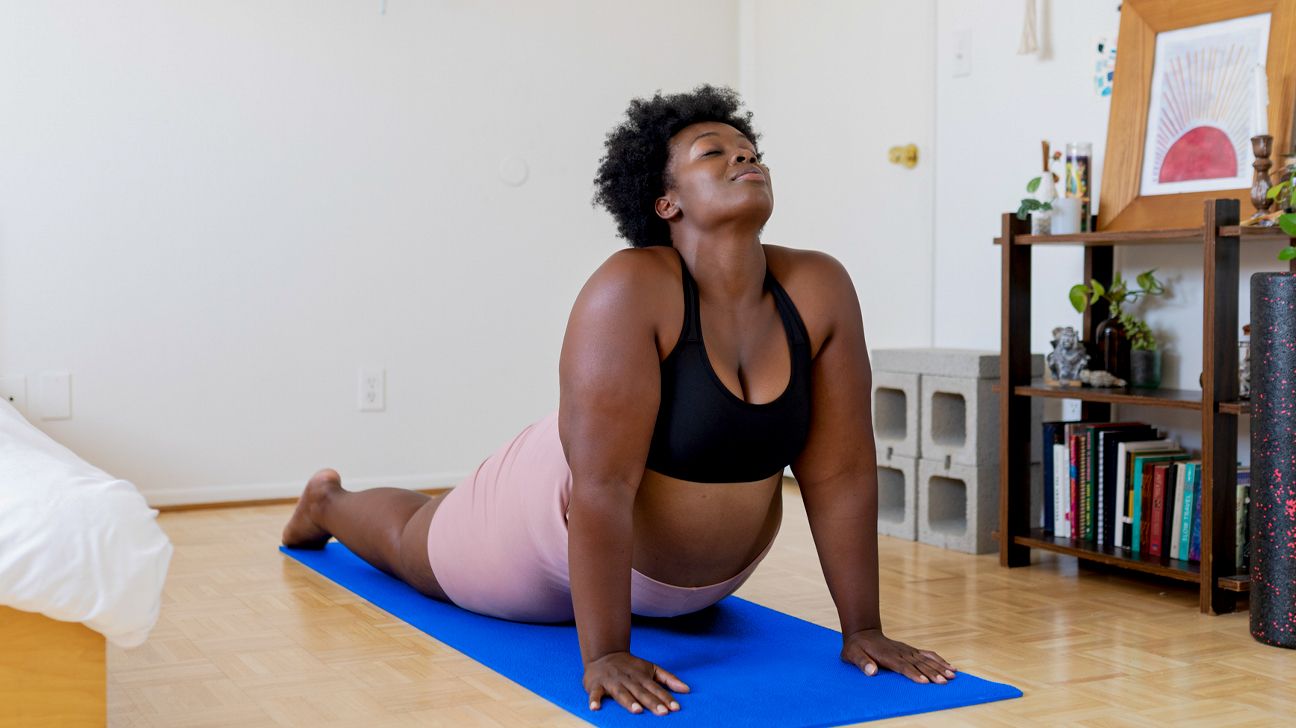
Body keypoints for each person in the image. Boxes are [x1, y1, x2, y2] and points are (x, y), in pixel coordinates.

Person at [283, 84, 956, 717]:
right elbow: (600, 487)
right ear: (667, 202)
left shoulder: (819, 286)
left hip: (692, 589)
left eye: (748, 148)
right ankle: (327, 503)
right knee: (415, 545)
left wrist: (864, 628)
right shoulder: (630, 288)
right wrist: (605, 650)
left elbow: (839, 473)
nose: (744, 155)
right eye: (712, 152)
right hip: (547, 520)